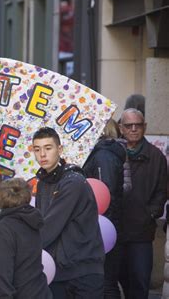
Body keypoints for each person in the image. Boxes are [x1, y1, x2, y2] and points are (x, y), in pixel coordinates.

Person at [32, 127, 105, 298]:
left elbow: (48, 228)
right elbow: (39, 221)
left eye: (48, 148)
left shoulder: (73, 182)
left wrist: (16, 249)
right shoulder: (43, 182)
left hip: (83, 272)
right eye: (37, 149)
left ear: (60, 149)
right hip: (56, 270)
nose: (42, 154)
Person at [118, 108, 167, 299]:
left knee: (140, 281)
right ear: (121, 128)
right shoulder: (113, 154)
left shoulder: (156, 157)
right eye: (128, 125)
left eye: (137, 125)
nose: (133, 129)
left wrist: (150, 214)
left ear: (144, 127)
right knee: (120, 280)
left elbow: (162, 192)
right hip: (117, 231)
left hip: (142, 233)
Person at [83, 119, 126, 298]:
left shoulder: (103, 156)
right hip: (102, 225)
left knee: (106, 282)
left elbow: (105, 195)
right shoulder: (102, 154)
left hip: (103, 227)